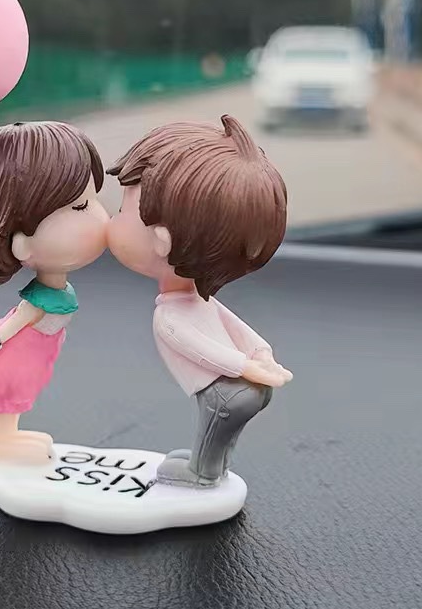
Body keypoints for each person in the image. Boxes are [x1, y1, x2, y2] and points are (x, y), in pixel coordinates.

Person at [106, 115, 292, 488]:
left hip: (227, 390)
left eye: (123, 212)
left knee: (214, 428)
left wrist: (245, 365)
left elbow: (202, 351)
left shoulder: (169, 317)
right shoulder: (200, 300)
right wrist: (261, 351)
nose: (112, 220)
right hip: (249, 387)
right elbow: (234, 325)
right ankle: (215, 466)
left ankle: (202, 473)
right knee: (222, 436)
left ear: (162, 241)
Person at [0, 121, 109, 465]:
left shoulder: (54, 289)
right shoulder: (37, 302)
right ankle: (1, 443)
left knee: (20, 397)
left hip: (40, 353)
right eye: (80, 207)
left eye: (93, 200)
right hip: (20, 354)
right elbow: (7, 329)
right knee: (13, 394)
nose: (102, 218)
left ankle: (9, 437)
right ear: (21, 243)